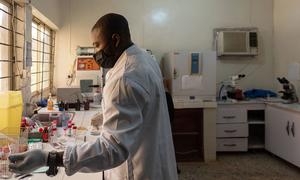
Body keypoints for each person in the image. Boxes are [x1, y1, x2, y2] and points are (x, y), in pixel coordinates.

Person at [9, 13, 178, 180]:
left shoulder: (124, 77)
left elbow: (111, 149)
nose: (95, 52)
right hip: (156, 162)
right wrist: (107, 114)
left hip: (138, 171)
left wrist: (49, 158)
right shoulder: (144, 58)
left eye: (97, 45)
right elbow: (140, 107)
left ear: (115, 39)